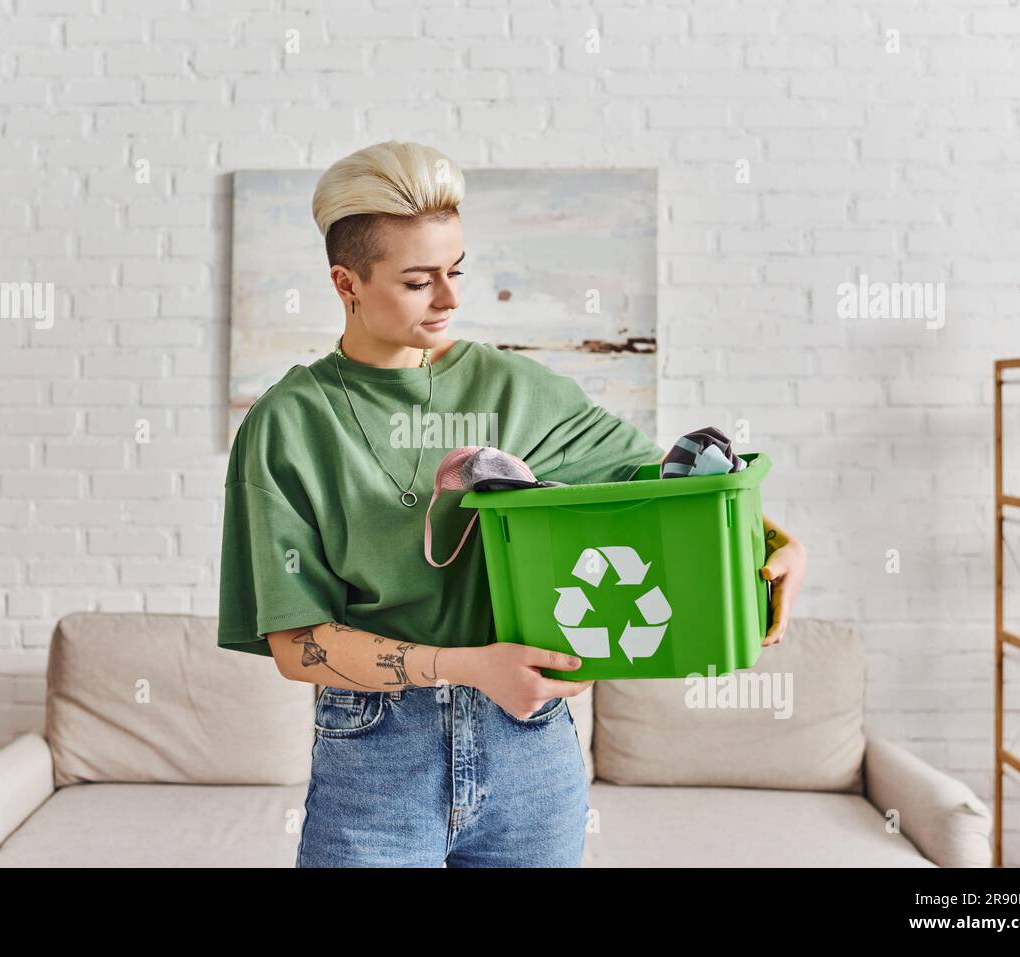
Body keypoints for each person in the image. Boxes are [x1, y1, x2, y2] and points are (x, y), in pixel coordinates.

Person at [217, 140, 808, 867]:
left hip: (531, 752)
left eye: (455, 270)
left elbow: (664, 483)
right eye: (417, 281)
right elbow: (296, 645)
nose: (451, 297)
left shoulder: (516, 390)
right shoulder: (289, 423)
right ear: (347, 283)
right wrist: (471, 665)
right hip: (374, 761)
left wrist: (769, 540)